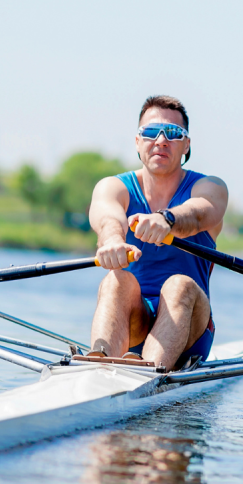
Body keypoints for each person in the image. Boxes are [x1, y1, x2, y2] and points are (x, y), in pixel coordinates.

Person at [88, 95, 229, 371]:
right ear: (138, 142)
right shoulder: (113, 187)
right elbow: (107, 218)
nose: (161, 140)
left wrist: (167, 220)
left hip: (190, 331)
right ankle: (98, 368)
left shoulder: (211, 187)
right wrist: (114, 240)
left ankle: (145, 373)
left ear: (187, 145)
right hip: (133, 322)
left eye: (174, 134)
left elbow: (200, 212)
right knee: (116, 279)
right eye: (151, 132)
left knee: (179, 285)